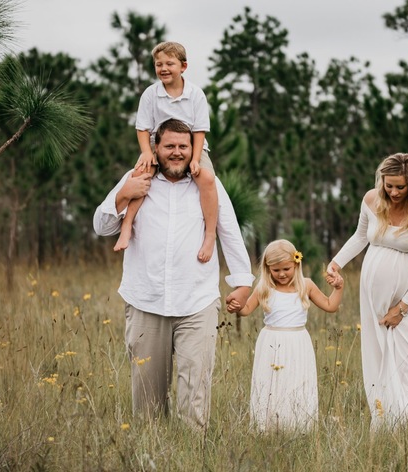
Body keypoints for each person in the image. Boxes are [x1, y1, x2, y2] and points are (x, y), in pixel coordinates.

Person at [93, 119, 254, 431]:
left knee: (195, 393)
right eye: (170, 146)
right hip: (145, 301)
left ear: (193, 148)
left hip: (197, 301)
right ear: (156, 147)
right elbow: (101, 227)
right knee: (147, 402)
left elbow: (230, 233)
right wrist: (123, 193)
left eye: (184, 146)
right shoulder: (137, 178)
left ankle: (191, 457)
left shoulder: (208, 184)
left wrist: (243, 282)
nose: (177, 152)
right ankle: (152, 455)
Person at [326, 153, 408, 437]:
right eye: (389, 186)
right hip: (374, 301)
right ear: (381, 181)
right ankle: (388, 426)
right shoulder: (372, 200)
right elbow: (360, 237)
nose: (394, 192)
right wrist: (336, 263)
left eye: (400, 187)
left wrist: (402, 307)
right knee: (380, 358)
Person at [114, 41, 218, 265]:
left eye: (169, 63)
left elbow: (199, 131)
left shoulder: (196, 95)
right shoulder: (151, 94)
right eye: (158, 64)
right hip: (157, 147)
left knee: (208, 178)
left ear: (183, 66)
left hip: (191, 147)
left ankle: (210, 235)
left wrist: (196, 159)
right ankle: (127, 224)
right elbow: (142, 128)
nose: (163, 68)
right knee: (140, 176)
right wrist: (146, 153)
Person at [228, 240, 344, 433]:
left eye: (286, 269)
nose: (281, 274)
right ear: (268, 269)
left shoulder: (306, 285)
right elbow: (246, 309)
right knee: (271, 382)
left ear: (296, 263)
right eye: (276, 270)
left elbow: (330, 306)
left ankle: (298, 426)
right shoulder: (264, 287)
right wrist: (237, 305)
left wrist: (338, 289)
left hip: (298, 342)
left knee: (296, 381)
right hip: (271, 341)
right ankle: (268, 427)